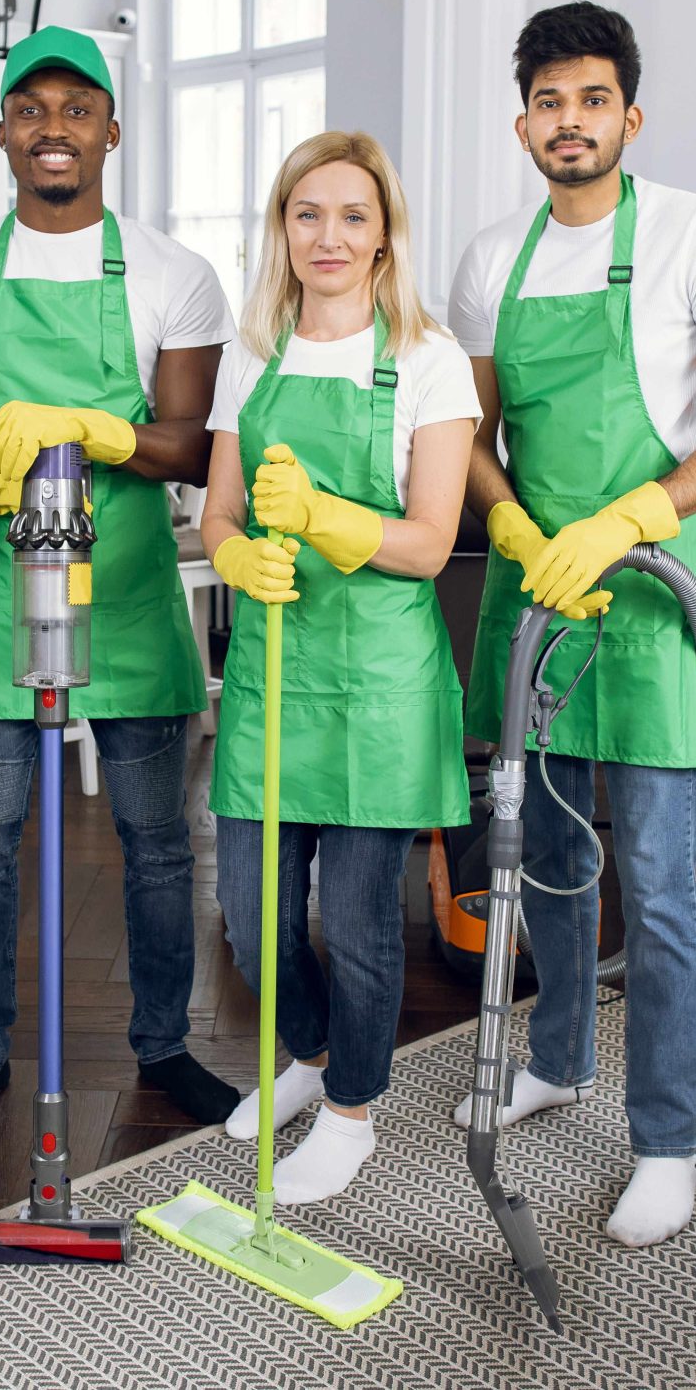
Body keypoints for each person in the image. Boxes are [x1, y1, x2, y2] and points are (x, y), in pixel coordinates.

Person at [448, 2, 696, 1247]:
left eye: (591, 100)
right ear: (522, 119)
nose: (568, 121)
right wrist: (522, 531)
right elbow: (470, 442)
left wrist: (629, 515)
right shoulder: (495, 259)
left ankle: (666, 1140)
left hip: (648, 599)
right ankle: (557, 1057)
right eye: (547, 101)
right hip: (537, 591)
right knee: (543, 859)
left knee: (653, 881)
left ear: (628, 116)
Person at [0, 26, 239, 1134]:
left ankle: (165, 1047)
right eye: (31, 108)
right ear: (2, 130)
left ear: (111, 130)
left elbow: (195, 445)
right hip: (2, 593)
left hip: (129, 593)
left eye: (76, 108)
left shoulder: (174, 274)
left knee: (156, 844)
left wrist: (99, 431)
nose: (53, 127)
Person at [199, 131, 477, 1205]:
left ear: (383, 235)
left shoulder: (427, 359)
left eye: (352, 216)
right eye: (306, 213)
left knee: (359, 921)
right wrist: (235, 551)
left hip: (380, 686)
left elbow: (427, 539)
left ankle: (355, 1109)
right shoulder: (251, 352)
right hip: (273, 674)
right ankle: (306, 1062)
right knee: (252, 912)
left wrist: (316, 516)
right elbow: (218, 508)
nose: (328, 235)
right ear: (281, 229)